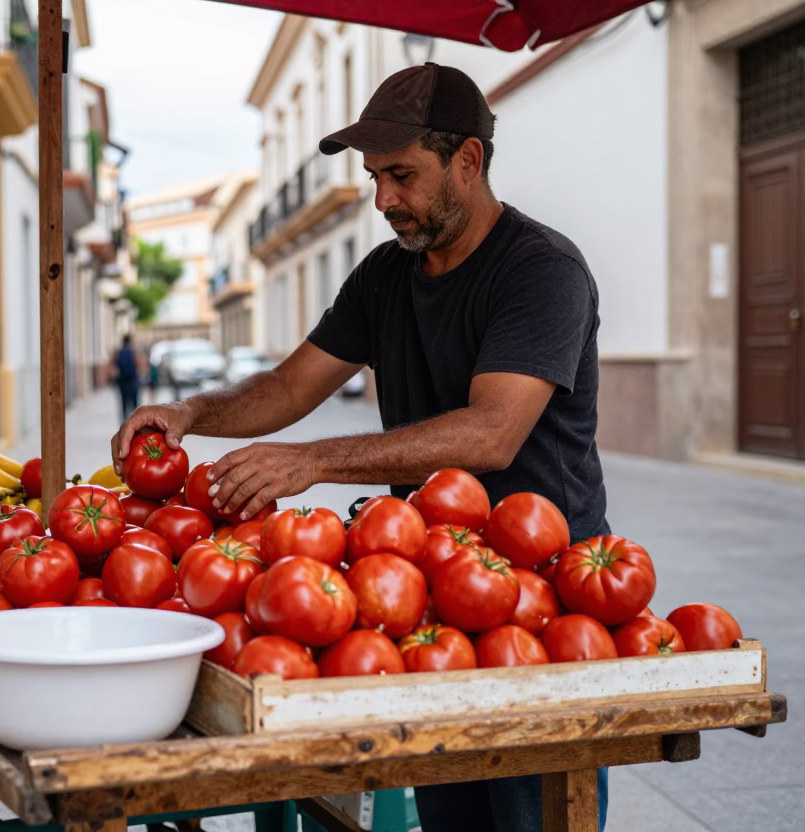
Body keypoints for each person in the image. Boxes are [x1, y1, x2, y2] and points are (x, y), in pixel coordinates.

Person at [111, 62, 610, 832]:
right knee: (450, 815)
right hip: (432, 594)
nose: (383, 200)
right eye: (375, 177)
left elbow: (491, 431)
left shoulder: (542, 271)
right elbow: (285, 388)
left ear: (468, 162)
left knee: (530, 812)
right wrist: (188, 411)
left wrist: (312, 461)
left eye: (402, 176)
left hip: (541, 599)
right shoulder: (385, 274)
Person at [110, 334, 142, 423]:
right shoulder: (133, 351)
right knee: (134, 402)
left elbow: (114, 365)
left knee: (123, 401)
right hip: (133, 380)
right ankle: (136, 420)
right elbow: (139, 364)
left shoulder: (119, 352)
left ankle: (124, 421)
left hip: (122, 381)